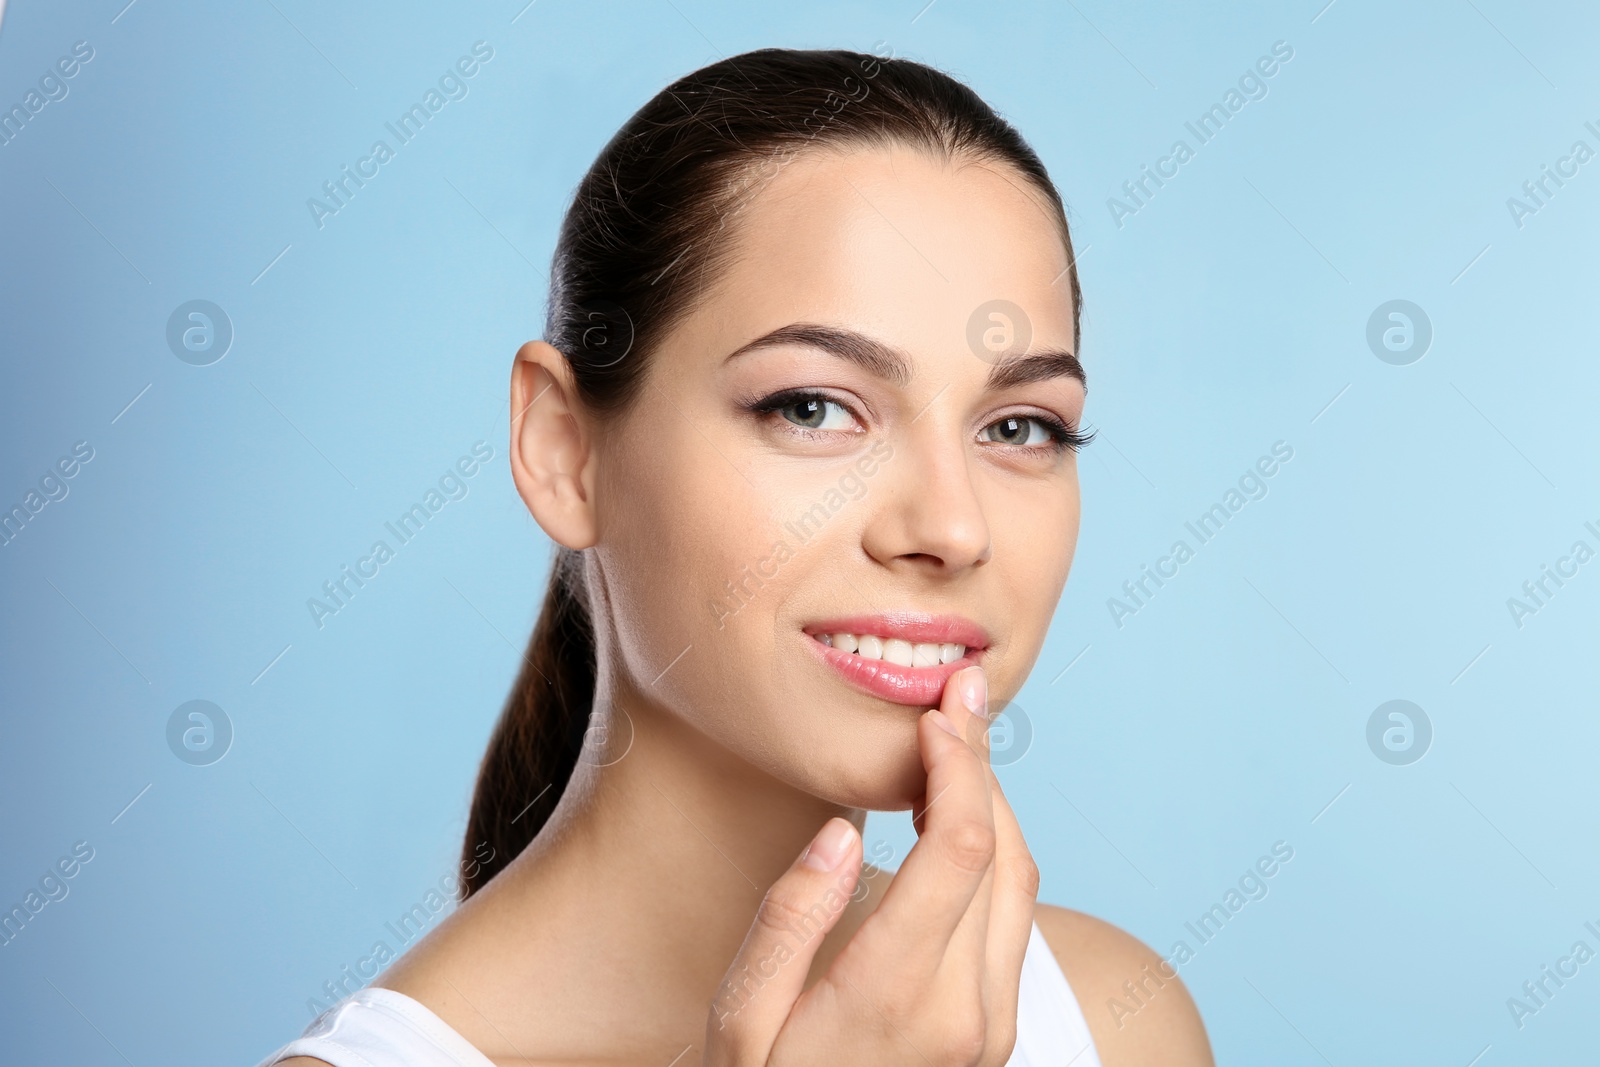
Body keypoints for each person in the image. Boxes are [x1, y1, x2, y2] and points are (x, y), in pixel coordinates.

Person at [259, 46, 1212, 1067]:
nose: (952, 527)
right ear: (563, 451)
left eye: (1020, 426)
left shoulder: (1113, 1017)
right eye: (811, 408)